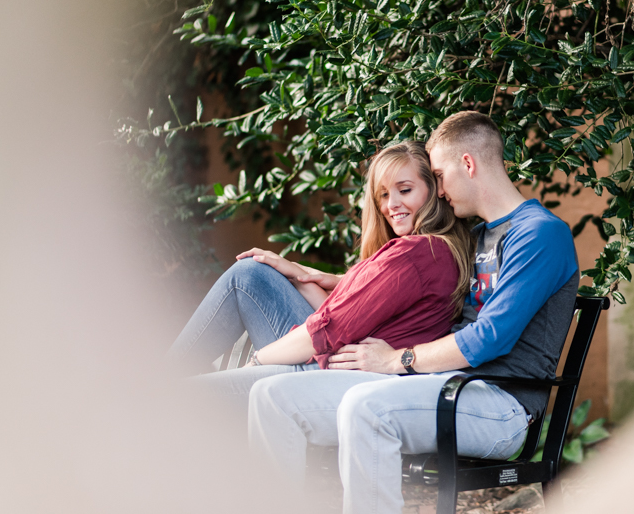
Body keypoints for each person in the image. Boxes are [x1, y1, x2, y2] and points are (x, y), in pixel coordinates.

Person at [247, 111, 580, 514]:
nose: (438, 191)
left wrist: (396, 360)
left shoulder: (540, 233)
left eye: (438, 176)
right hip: (442, 386)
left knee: (365, 407)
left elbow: (492, 336)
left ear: (468, 164)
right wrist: (324, 277)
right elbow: (401, 282)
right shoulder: (476, 237)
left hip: (501, 405)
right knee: (272, 396)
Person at [167, 141, 473, 400]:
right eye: (383, 195)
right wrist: (296, 272)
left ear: (433, 192)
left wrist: (257, 361)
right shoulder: (438, 251)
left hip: (329, 374)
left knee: (244, 280)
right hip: (344, 366)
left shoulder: (415, 254)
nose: (391, 204)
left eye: (404, 190)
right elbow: (344, 314)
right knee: (251, 273)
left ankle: (153, 384)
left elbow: (326, 331)